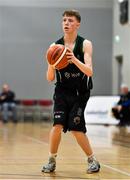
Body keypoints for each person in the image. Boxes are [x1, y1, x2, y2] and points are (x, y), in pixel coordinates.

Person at [42, 10, 100, 174]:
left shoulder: (85, 44)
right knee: (57, 125)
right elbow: (49, 78)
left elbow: (89, 72)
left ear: (77, 24)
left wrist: (73, 59)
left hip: (80, 92)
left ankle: (92, 160)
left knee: (75, 128)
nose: (66, 23)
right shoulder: (54, 47)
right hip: (61, 90)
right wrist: (52, 63)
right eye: (64, 20)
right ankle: (51, 160)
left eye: (70, 20)